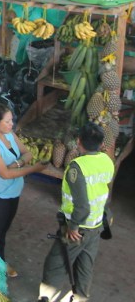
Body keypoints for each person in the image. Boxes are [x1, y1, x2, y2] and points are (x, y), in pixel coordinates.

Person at [37, 123, 114, 302]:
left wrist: (73, 227)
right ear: (102, 144)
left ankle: (46, 297)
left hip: (78, 228)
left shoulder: (76, 167)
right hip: (95, 226)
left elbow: (82, 206)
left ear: (78, 142)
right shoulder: (107, 161)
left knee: (55, 265)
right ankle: (80, 298)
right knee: (85, 266)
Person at [0, 103, 47, 278]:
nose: (11, 124)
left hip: (12, 194)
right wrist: (32, 169)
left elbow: (28, 153)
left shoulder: (10, 135)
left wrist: (17, 163)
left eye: (11, 121)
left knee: (2, 232)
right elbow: (5, 173)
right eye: (7, 121)